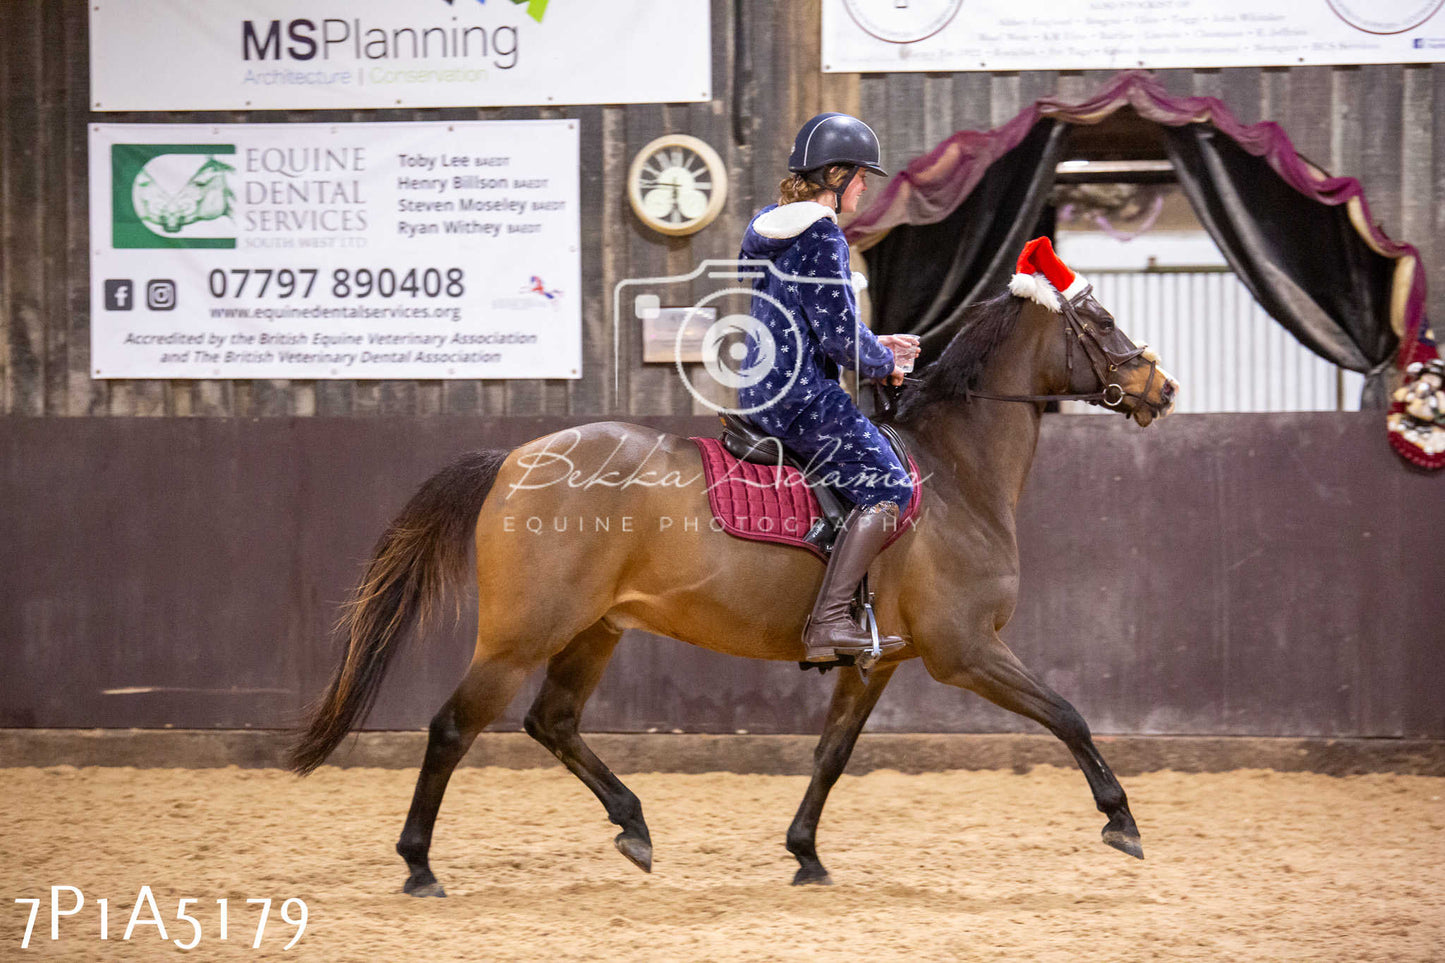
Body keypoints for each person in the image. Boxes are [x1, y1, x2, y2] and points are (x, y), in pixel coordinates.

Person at [735, 112, 919, 664]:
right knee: (892, 487)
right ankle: (829, 621)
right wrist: (885, 362)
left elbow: (814, 319)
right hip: (801, 398)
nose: (865, 186)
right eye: (861, 175)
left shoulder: (773, 225)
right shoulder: (822, 234)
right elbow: (839, 340)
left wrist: (877, 342)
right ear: (835, 175)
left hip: (762, 389)